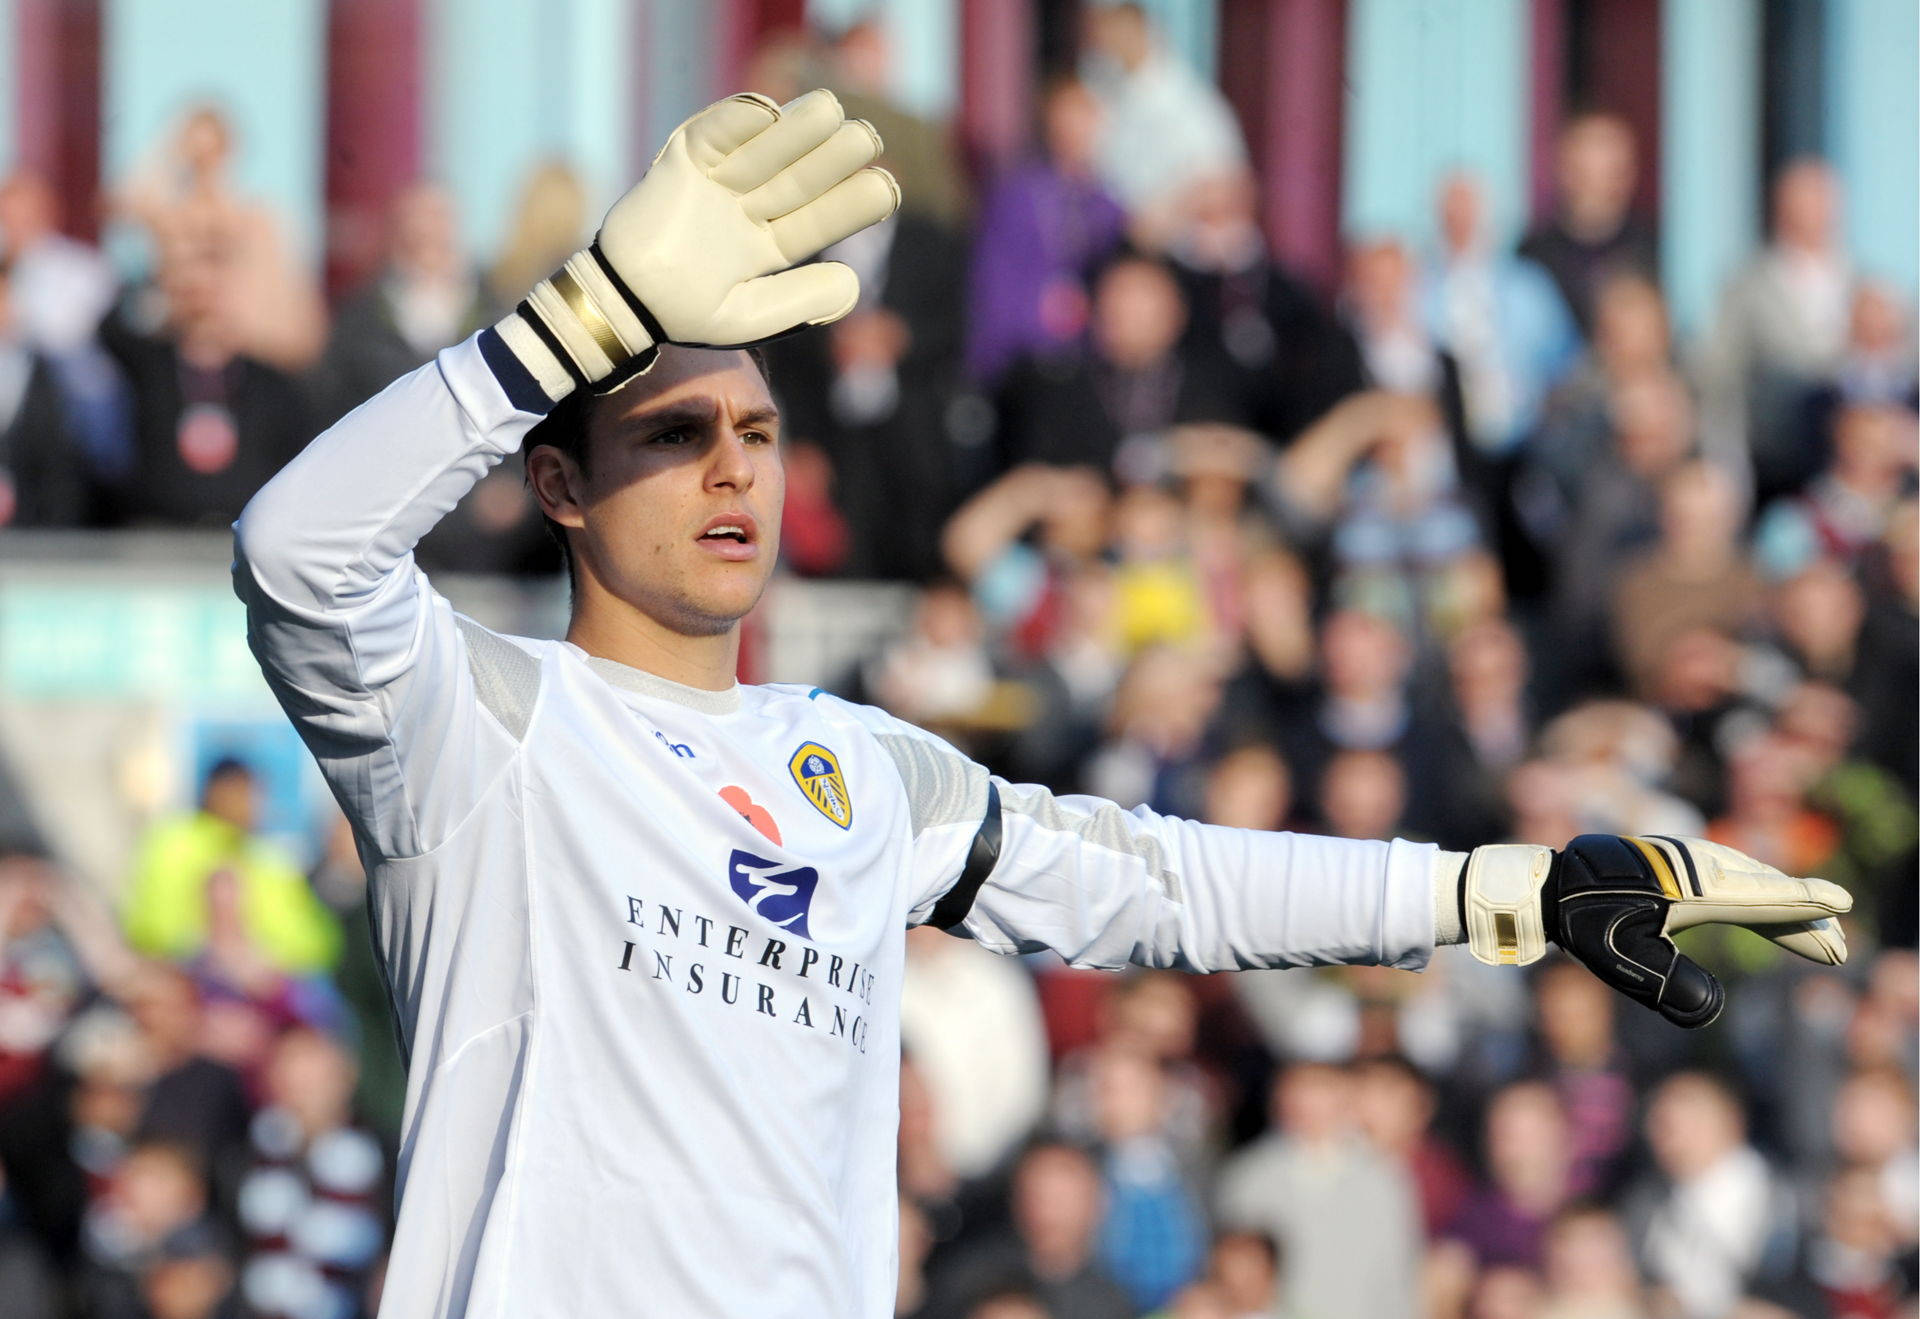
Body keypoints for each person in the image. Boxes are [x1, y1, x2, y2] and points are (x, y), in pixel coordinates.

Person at [233, 91, 1852, 1319]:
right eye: (673, 434)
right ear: (560, 485)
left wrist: (1502, 891)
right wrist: (576, 320)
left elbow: (1161, 882)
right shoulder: (479, 729)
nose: (733, 468)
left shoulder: (860, 772)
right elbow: (299, 554)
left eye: (759, 433)